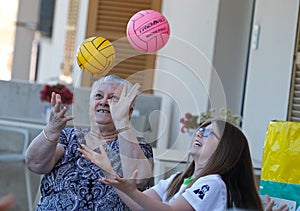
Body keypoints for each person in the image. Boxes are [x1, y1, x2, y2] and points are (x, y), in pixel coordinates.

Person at [79, 119, 289, 211]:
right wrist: (108, 171)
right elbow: (141, 204)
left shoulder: (213, 183)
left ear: (225, 149)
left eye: (208, 133)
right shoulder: (179, 179)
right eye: (200, 130)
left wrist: (130, 190)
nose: (199, 133)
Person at [25, 75, 153, 210]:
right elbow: (35, 164)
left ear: (129, 110)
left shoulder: (138, 145)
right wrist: (51, 129)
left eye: (113, 98)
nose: (104, 101)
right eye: (98, 96)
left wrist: (122, 120)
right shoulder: (69, 137)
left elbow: (137, 180)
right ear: (90, 103)